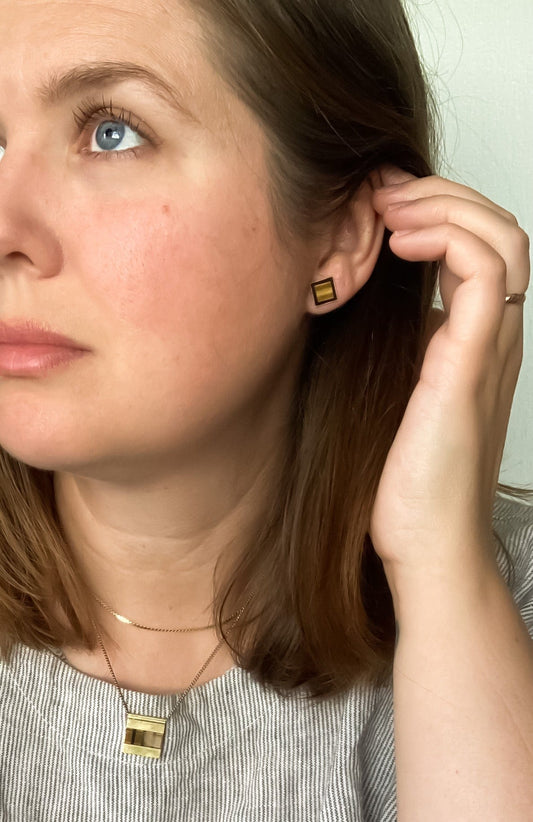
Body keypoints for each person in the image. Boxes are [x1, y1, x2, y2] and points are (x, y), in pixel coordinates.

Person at [0, 0, 531, 819]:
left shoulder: (509, 596)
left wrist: (440, 566)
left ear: (337, 240)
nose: (8, 228)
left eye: (112, 131)